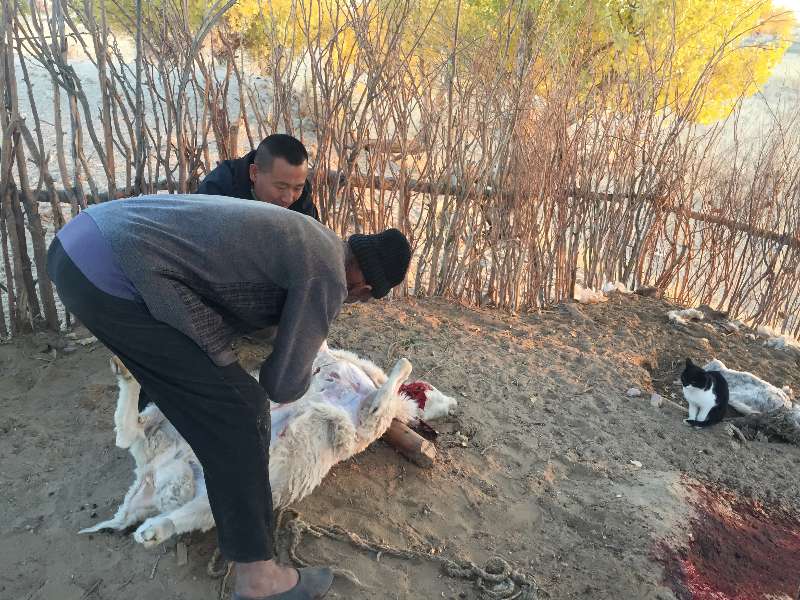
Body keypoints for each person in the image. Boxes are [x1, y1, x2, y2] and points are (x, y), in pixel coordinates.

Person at [47, 194, 411, 600]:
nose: (353, 301)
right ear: (363, 288)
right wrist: (302, 365)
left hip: (79, 247)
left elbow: (241, 302)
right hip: (117, 272)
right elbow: (282, 384)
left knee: (204, 380)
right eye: (361, 299)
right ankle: (259, 579)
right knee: (243, 409)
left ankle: (170, 449)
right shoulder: (328, 274)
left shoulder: (313, 236)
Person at [198, 134, 320, 221]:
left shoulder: (301, 196)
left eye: (297, 188)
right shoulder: (217, 192)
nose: (288, 199)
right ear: (254, 173)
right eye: (281, 187)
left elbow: (313, 243)